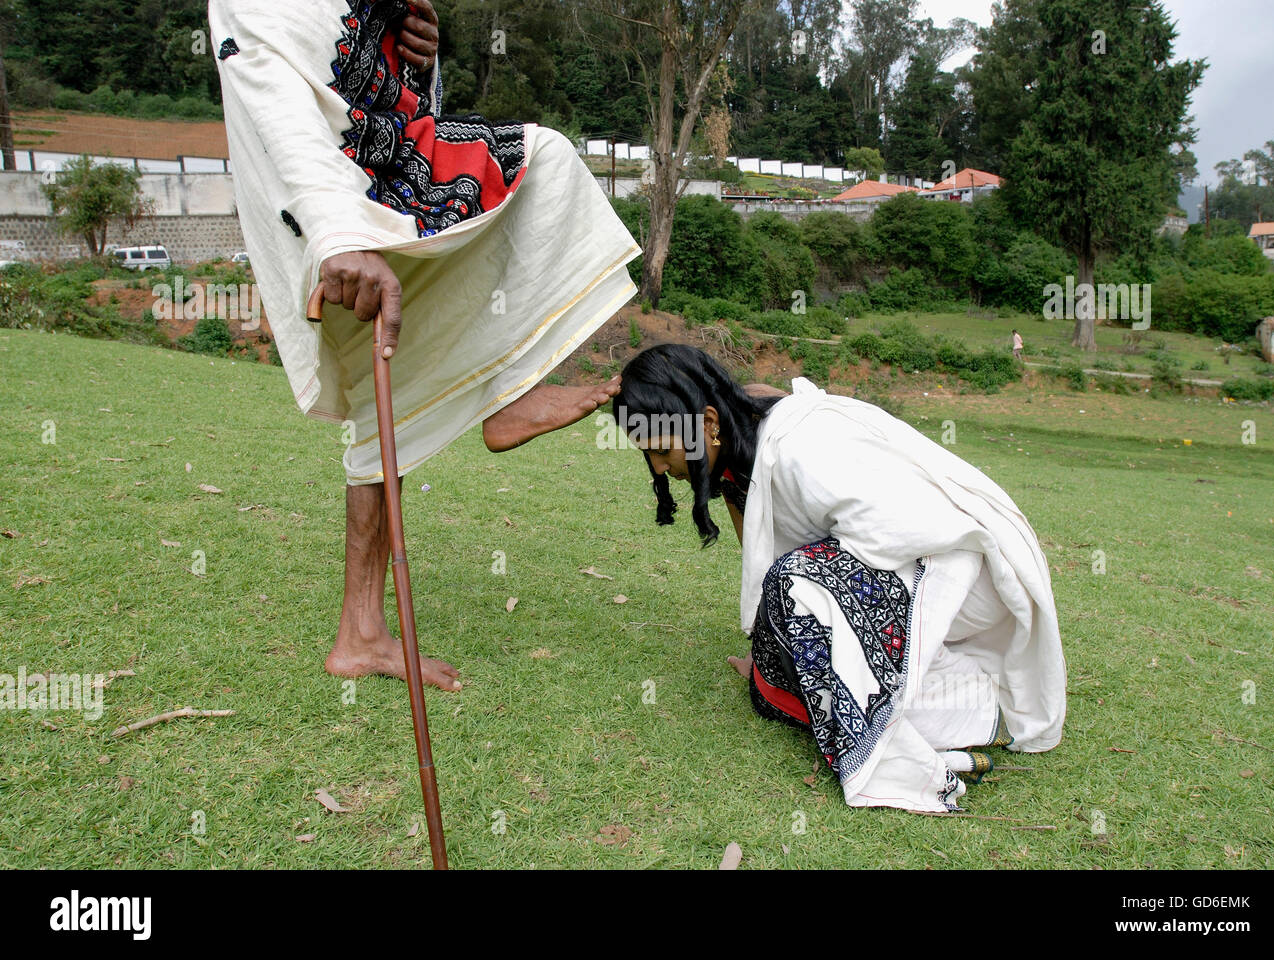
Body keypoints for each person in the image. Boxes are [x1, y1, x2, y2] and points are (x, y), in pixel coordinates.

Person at [210, 0, 640, 691]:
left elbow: (400, 92)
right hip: (328, 192)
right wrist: (333, 235)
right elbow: (263, 77)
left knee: (545, 162)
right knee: (380, 393)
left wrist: (423, 54)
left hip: (399, 158)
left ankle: (363, 629)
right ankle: (361, 630)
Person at [611, 345, 1066, 812]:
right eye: (649, 455)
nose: (662, 468)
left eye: (662, 451)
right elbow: (764, 562)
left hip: (959, 571)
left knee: (797, 587)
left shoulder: (799, 450)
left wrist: (814, 604)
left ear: (707, 423)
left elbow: (903, 529)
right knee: (771, 667)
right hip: (910, 569)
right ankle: (906, 694)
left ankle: (965, 709)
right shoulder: (739, 442)